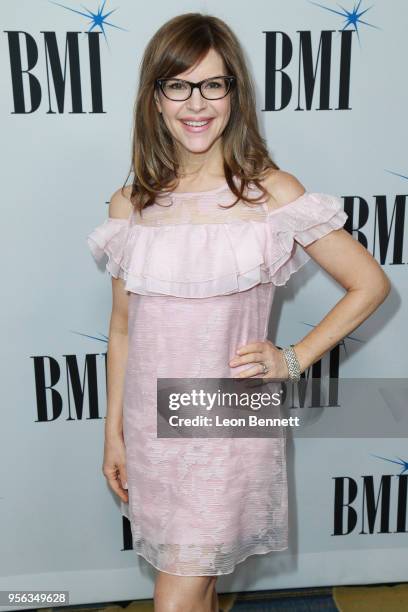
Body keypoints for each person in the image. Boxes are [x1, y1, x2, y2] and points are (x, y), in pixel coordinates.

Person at [86, 12, 391, 612]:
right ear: (155, 97)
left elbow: (369, 284)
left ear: (235, 94)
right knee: (194, 584)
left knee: (175, 595)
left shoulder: (270, 193)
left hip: (225, 408)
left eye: (213, 84)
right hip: (151, 422)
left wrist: (293, 357)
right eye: (178, 85)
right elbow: (122, 330)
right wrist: (112, 433)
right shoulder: (131, 204)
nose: (195, 103)